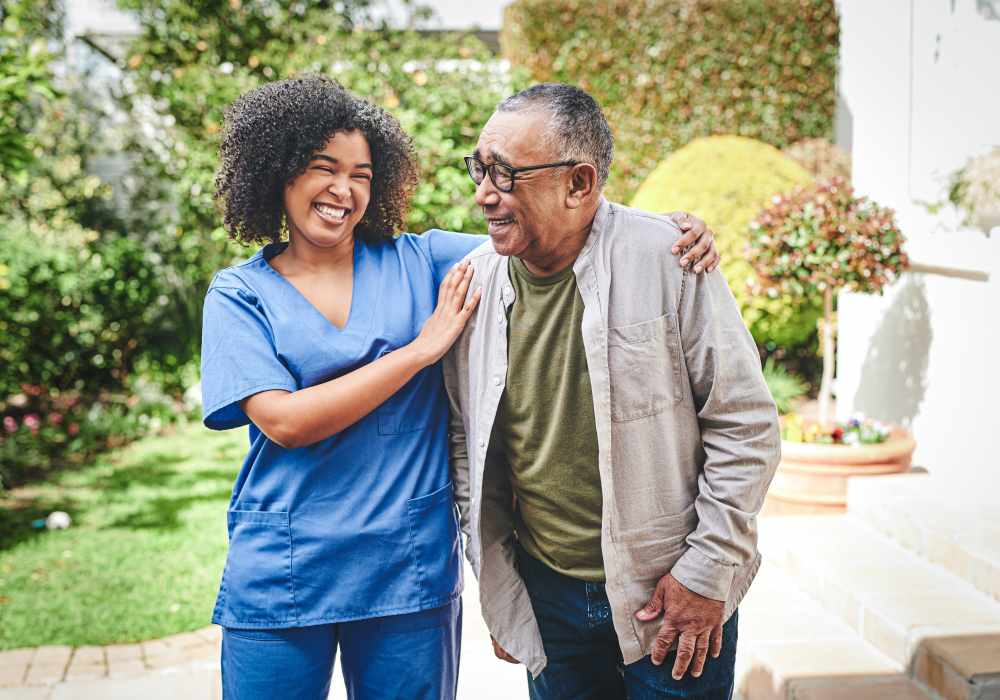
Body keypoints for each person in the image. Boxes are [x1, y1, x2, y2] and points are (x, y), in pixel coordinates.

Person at [200, 76, 720, 700]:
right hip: (284, 573)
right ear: (278, 171)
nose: (344, 190)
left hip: (405, 573)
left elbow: (559, 226)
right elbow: (283, 422)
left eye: (362, 174)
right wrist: (420, 351)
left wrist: (667, 231)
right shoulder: (239, 295)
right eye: (323, 168)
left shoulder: (426, 261)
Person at [443, 83, 781, 700]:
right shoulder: (474, 285)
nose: (483, 194)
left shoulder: (670, 258)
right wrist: (502, 589)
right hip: (547, 597)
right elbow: (469, 441)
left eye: (505, 174)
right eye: (480, 168)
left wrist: (707, 572)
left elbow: (746, 425)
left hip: (671, 594)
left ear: (580, 183)